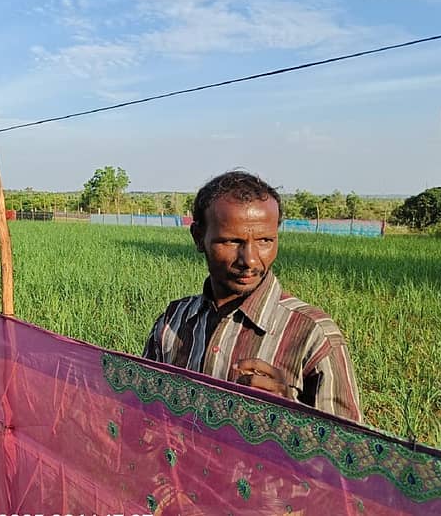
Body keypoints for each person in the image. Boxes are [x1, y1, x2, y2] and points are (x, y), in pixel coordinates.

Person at [143, 171, 362, 422]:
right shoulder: (174, 319)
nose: (249, 260)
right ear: (198, 237)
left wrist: (289, 409)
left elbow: (345, 443)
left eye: (265, 240)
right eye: (231, 241)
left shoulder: (315, 335)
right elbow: (144, 410)